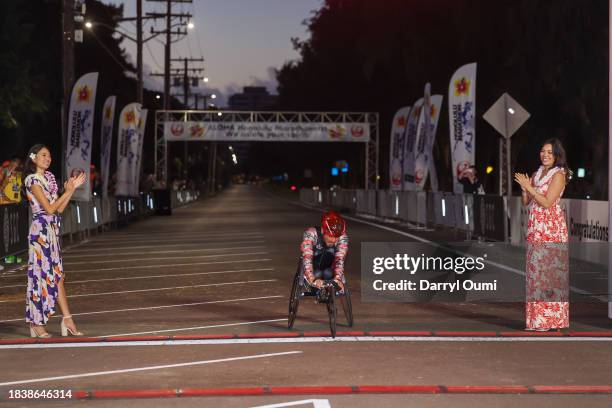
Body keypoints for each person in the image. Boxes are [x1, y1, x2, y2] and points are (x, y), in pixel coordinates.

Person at [23, 144, 87, 338]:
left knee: (57, 275)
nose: (47, 158)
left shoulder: (49, 178)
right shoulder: (31, 180)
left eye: (49, 156)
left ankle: (67, 318)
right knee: (39, 276)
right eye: (43, 155)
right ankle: (36, 322)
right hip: (40, 232)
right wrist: (68, 191)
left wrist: (70, 191)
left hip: (52, 231)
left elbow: (58, 209)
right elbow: (49, 209)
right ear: (33, 158)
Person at [514, 138, 571, 332]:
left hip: (551, 229)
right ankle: (537, 320)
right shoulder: (536, 174)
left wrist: (529, 188)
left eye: (549, 152)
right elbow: (526, 202)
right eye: (542, 151)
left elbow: (547, 202)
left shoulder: (559, 175)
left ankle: (551, 321)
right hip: (536, 227)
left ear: (556, 155)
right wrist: (524, 189)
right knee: (535, 274)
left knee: (550, 275)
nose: (545, 155)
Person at [300, 211, 349, 296]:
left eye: (336, 237)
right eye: (330, 236)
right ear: (323, 230)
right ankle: (315, 287)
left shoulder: (343, 238)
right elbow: (307, 257)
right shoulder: (311, 234)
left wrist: (338, 278)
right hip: (313, 269)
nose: (334, 240)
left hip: (329, 268)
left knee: (328, 273)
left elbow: (340, 260)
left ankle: (328, 290)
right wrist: (311, 278)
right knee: (317, 273)